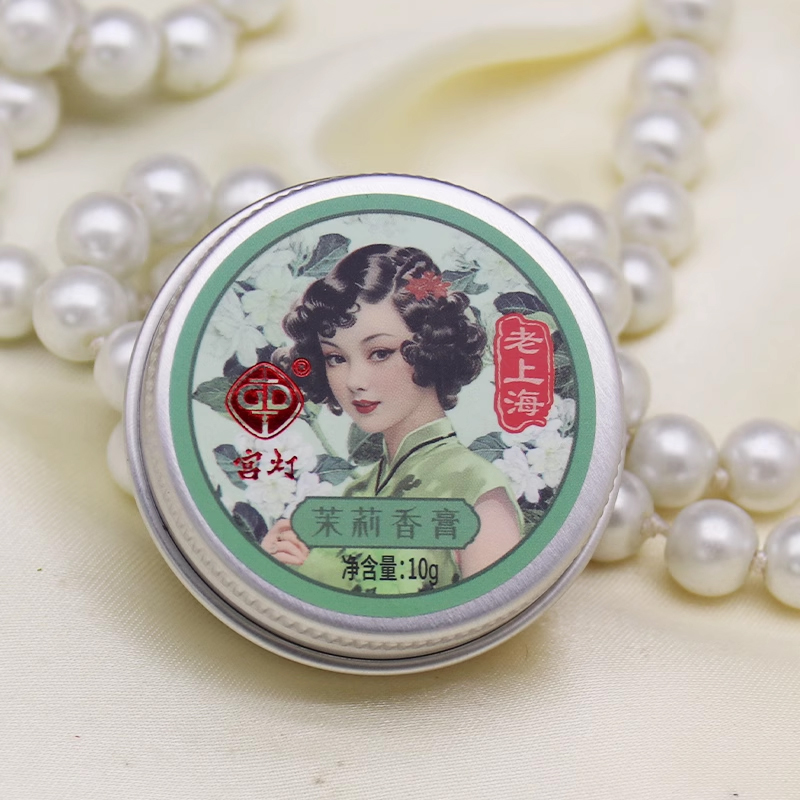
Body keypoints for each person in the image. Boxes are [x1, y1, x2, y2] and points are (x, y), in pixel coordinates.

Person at [261, 243, 522, 592]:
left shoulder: (477, 489)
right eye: (336, 358)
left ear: (431, 346)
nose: (354, 381)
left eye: (380, 353)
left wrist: (316, 569)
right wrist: (280, 567)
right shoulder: (357, 493)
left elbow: (487, 608)